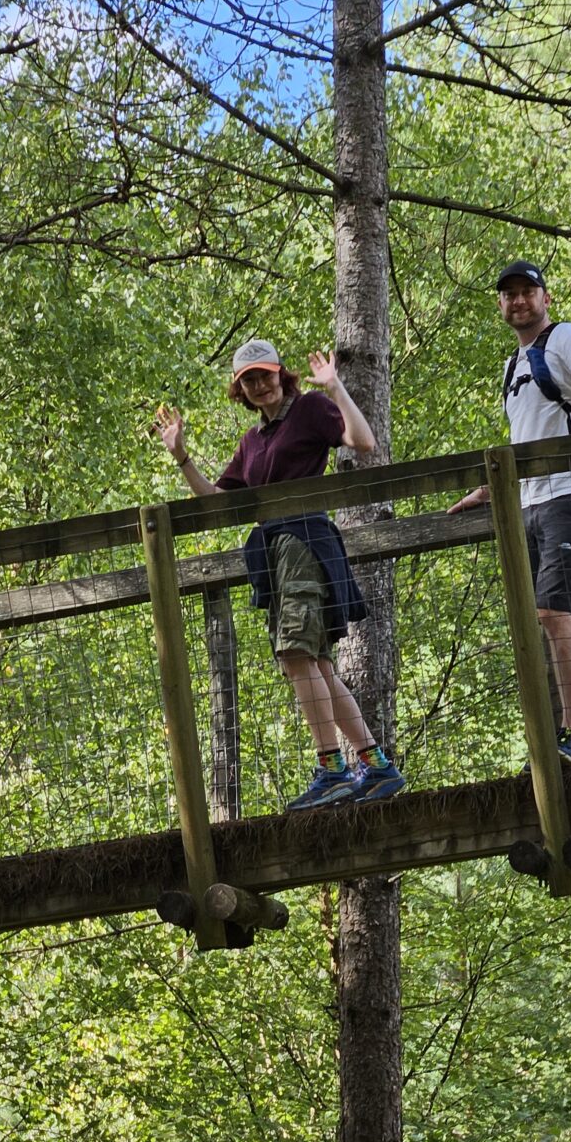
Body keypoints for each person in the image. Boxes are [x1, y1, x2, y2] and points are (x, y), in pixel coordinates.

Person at [155, 338, 406, 810]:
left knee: (295, 653)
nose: (259, 384)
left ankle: (332, 770)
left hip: (304, 542)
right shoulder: (252, 442)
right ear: (240, 389)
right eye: (248, 380)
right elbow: (217, 502)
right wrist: (182, 457)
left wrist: (335, 388)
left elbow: (364, 441)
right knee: (317, 664)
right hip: (275, 555)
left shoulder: (310, 409)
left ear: (280, 374)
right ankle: (376, 766)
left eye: (265, 374)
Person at [449, 262, 571, 767]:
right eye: (509, 295)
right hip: (528, 501)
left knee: (556, 613)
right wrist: (490, 490)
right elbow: (527, 440)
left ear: (544, 297)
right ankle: (559, 740)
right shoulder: (514, 366)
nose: (518, 301)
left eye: (527, 292)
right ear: (500, 305)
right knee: (545, 620)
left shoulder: (565, 337)